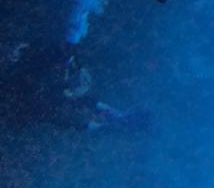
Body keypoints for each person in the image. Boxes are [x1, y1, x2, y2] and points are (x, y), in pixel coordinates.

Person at [0, 41, 145, 132]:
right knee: (66, 110)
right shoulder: (22, 80)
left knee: (79, 104)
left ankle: (117, 119)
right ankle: (113, 121)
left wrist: (78, 67)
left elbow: (66, 50)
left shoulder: (38, 58)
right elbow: (50, 115)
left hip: (38, 97)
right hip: (32, 101)